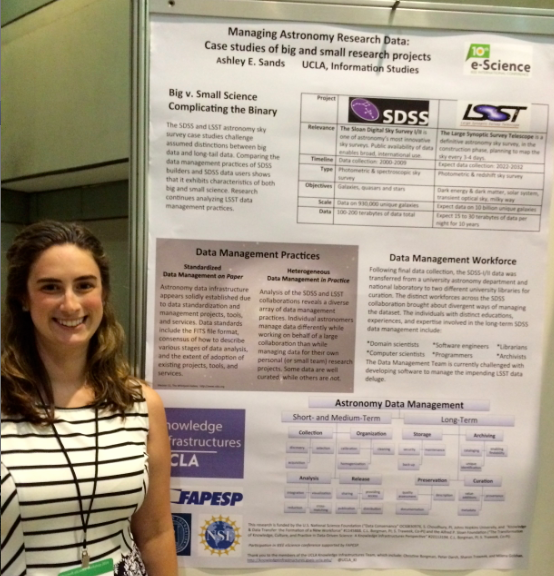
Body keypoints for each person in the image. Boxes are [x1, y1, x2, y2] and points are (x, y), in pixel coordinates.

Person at [1, 221, 178, 576]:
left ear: (103, 293)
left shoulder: (139, 404)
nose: (70, 304)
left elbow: (156, 533)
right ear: (23, 297)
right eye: (51, 287)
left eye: (84, 286)